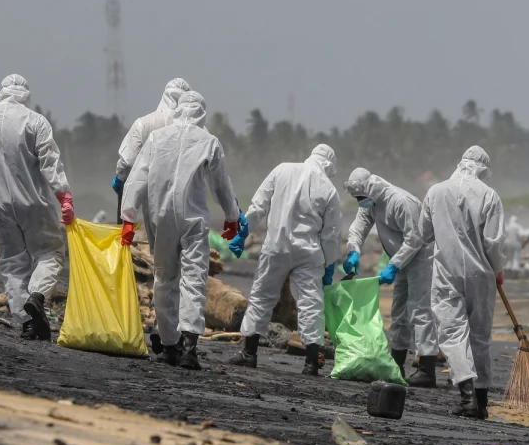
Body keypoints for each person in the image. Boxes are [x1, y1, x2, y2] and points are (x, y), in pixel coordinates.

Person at [120, 91, 240, 370]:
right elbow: (222, 185)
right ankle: (189, 346)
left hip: (160, 217)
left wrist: (128, 217)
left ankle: (169, 345)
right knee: (194, 278)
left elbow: (137, 177)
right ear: (201, 113)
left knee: (164, 278)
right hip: (193, 219)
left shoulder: (157, 138)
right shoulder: (209, 142)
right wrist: (231, 217)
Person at [0, 74, 74, 341]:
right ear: (25, 95)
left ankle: (27, 323)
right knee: (49, 253)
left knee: (12, 262)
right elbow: (50, 163)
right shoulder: (35, 121)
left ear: (2, 92)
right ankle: (37, 296)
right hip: (33, 202)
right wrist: (64, 196)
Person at [229, 145, 341, 376]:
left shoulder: (282, 170)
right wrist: (330, 264)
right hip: (309, 251)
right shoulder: (329, 189)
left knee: (261, 296)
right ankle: (311, 362)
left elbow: (259, 205)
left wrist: (243, 231)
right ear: (329, 164)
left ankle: (249, 354)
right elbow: (330, 234)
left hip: (276, 245)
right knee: (311, 304)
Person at [418, 146, 505, 418]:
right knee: (480, 336)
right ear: (482, 169)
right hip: (481, 274)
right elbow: (493, 243)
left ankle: (467, 399)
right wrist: (498, 270)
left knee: (453, 334)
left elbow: (424, 234)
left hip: (446, 273)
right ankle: (482, 402)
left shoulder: (435, 191)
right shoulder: (489, 195)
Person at [342, 168, 437, 385]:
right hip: (402, 259)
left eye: (360, 198)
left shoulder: (400, 201)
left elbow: (415, 239)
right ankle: (396, 365)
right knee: (399, 312)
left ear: (369, 189)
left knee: (420, 310)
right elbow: (359, 227)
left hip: (422, 258)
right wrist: (354, 250)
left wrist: (393, 266)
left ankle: (427, 368)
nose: (359, 201)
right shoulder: (370, 201)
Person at [110, 78, 190, 212]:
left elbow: (128, 161)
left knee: (156, 232)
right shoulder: (196, 128)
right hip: (187, 199)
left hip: (154, 199)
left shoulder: (144, 123)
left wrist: (120, 178)